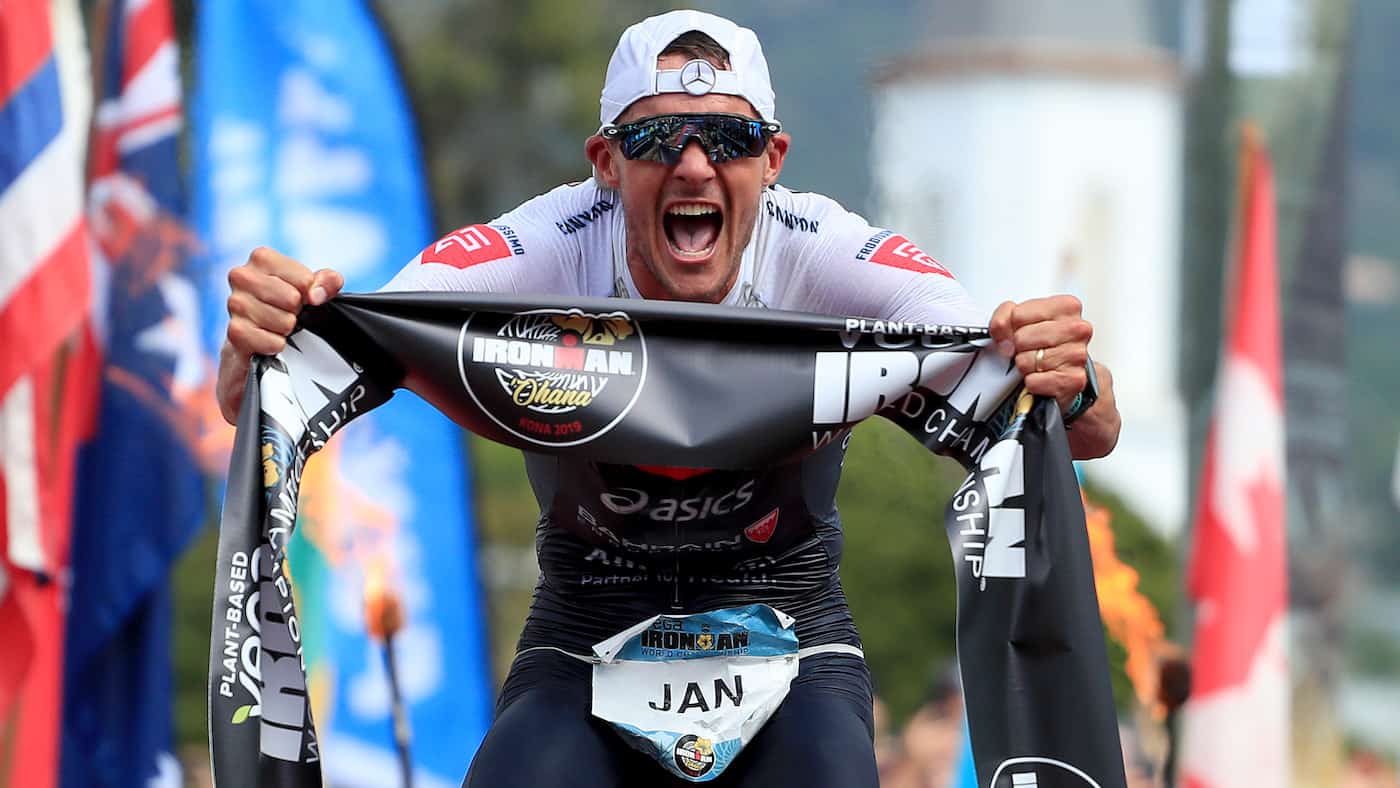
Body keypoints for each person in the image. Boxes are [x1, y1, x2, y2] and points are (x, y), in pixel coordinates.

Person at [216, 10, 1121, 787]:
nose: (693, 166)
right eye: (657, 140)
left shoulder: (828, 254)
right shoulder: (546, 248)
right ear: (606, 164)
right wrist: (262, 342)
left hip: (785, 620)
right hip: (591, 618)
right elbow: (338, 355)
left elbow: (1079, 423)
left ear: (772, 161)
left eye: (726, 141)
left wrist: (1070, 377)